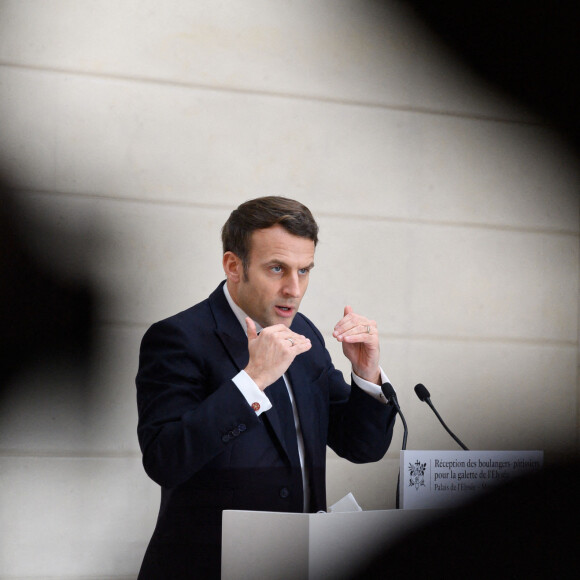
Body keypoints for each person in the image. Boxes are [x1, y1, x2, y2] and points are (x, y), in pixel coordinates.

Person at [135, 196, 397, 579]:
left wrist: (366, 375)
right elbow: (165, 460)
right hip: (209, 569)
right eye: (277, 268)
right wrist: (252, 380)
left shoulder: (305, 333)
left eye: (304, 270)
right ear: (233, 266)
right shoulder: (178, 337)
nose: (294, 288)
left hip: (297, 565)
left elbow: (362, 447)